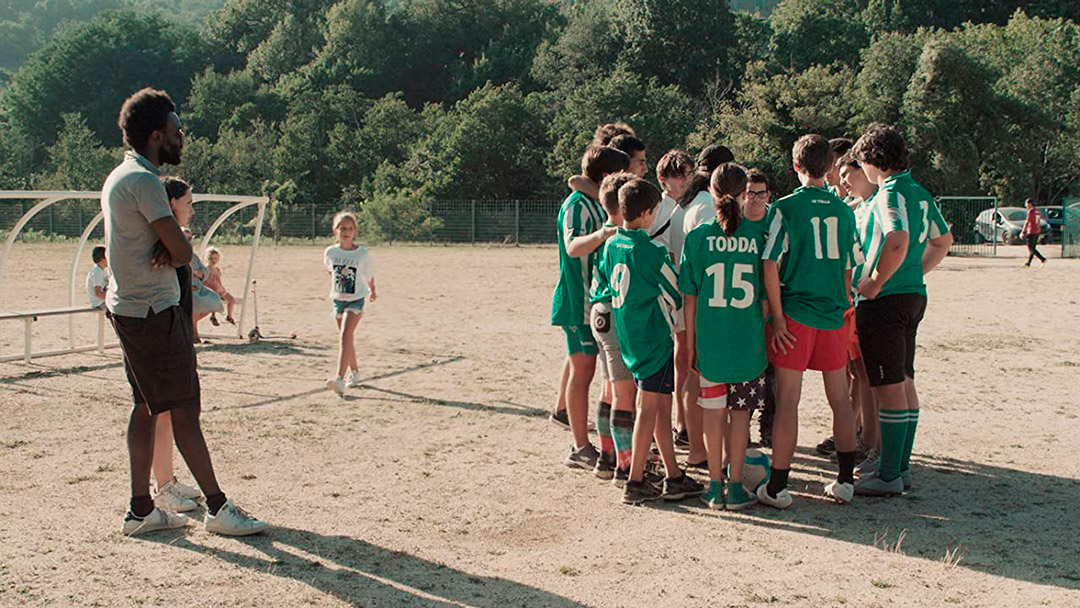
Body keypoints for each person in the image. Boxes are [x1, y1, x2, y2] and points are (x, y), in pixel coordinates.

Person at [105, 87, 266, 536]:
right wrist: (176, 243)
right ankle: (217, 509)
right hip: (153, 313)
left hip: (135, 310)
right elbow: (180, 250)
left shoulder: (123, 174)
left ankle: (141, 510)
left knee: (147, 405)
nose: (183, 136)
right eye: (177, 129)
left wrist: (172, 245)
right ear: (157, 135)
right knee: (183, 409)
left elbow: (172, 249)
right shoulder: (143, 181)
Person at [759, 134, 863, 509]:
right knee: (840, 398)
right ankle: (846, 480)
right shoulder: (845, 211)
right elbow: (851, 267)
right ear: (830, 168)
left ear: (795, 166)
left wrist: (779, 317)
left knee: (788, 399)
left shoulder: (784, 208)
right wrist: (842, 305)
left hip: (797, 313)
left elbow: (770, 263)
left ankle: (778, 486)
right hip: (833, 315)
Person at [850, 125, 953, 496]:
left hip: (884, 302)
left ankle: (889, 474)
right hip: (912, 296)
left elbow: (897, 238)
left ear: (875, 161)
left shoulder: (889, 194)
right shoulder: (921, 192)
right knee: (905, 382)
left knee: (888, 387)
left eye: (863, 164)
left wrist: (876, 282)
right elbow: (943, 241)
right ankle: (900, 467)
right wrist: (914, 272)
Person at [600, 177, 703, 505]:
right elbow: (674, 291)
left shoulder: (612, 244)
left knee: (657, 405)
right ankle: (636, 479)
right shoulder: (652, 250)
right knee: (649, 407)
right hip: (653, 338)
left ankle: (673, 475)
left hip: (629, 335)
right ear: (646, 213)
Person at [680, 162, 769, 510]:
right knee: (741, 418)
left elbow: (690, 297)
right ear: (744, 192)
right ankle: (735, 488)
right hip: (748, 343)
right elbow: (764, 297)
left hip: (711, 343)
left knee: (713, 414)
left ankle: (714, 486)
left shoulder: (699, 236)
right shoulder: (757, 235)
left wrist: (691, 342)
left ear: (711, 192)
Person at [552, 123, 636, 430]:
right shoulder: (577, 205)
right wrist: (604, 233)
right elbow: (574, 247)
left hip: (596, 302)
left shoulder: (594, 201)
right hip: (578, 302)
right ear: (606, 179)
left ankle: (604, 446)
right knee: (583, 373)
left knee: (601, 376)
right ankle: (579, 445)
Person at [672, 144, 735, 467]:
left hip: (692, 298)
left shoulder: (689, 203)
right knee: (700, 374)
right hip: (707, 302)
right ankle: (701, 447)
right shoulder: (708, 207)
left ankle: (690, 434)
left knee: (689, 368)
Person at [590, 171, 640, 483]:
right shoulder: (620, 236)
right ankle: (624, 464)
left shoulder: (603, 231)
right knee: (624, 392)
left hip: (599, 309)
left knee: (609, 388)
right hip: (614, 311)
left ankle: (606, 455)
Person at [838, 153, 880, 472]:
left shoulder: (880, 203)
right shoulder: (859, 207)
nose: (843, 180)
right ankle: (866, 439)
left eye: (848, 173)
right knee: (859, 372)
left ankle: (873, 443)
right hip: (855, 302)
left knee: (872, 375)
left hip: (871, 300)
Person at [324, 211, 377, 395]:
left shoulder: (362, 253)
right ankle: (354, 372)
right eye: (342, 228)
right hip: (338, 300)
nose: (346, 231)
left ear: (355, 231)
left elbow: (368, 275)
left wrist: (373, 290)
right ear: (335, 230)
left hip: (356, 299)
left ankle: (339, 378)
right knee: (347, 338)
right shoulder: (330, 252)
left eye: (350, 228)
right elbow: (331, 272)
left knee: (345, 335)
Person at [745, 170, 778, 448]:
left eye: (761, 193)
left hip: (773, 303)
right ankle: (742, 427)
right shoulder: (735, 223)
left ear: (768, 195)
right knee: (747, 369)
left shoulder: (775, 222)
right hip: (744, 309)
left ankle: (769, 427)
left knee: (774, 372)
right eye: (750, 192)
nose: (755, 199)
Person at [203, 247, 235, 326]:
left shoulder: (217, 270)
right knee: (216, 298)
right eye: (211, 258)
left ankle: (229, 316)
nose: (213, 260)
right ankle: (213, 316)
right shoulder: (205, 270)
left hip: (219, 290)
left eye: (215, 258)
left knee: (232, 300)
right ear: (207, 259)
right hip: (210, 290)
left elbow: (218, 282)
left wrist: (222, 291)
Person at [1022, 198, 1047, 268]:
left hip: (1031, 230)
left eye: (1026, 204)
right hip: (1037, 230)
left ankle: (1042, 259)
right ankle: (1028, 263)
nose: (1025, 205)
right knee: (1032, 248)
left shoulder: (1031, 211)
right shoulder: (1037, 212)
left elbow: (1027, 221)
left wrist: (1023, 231)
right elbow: (1038, 222)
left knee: (1031, 248)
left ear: (1029, 204)